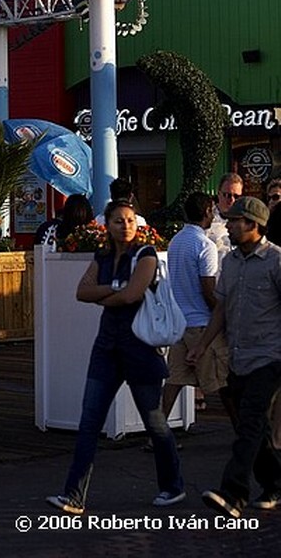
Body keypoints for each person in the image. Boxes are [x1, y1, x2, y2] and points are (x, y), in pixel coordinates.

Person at [47, 199, 185, 514]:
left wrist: (106, 294)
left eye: (130, 220)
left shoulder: (146, 255)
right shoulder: (103, 255)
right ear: (106, 225)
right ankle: (74, 496)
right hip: (106, 347)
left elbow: (132, 294)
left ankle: (172, 485)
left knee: (155, 422)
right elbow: (81, 292)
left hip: (139, 348)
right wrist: (114, 289)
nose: (126, 226)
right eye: (119, 221)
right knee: (89, 421)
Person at [190, 196, 281, 517]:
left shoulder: (276, 261)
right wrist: (202, 345)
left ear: (253, 226)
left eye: (234, 221)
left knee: (251, 423)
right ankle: (275, 483)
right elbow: (222, 309)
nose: (227, 226)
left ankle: (233, 493)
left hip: (270, 357)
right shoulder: (229, 261)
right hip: (238, 356)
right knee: (252, 426)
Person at [161, 192, 234, 425]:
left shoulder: (176, 242)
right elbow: (207, 287)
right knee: (223, 381)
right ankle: (243, 434)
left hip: (180, 323)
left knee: (174, 380)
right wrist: (222, 314)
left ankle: (158, 432)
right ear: (206, 212)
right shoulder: (205, 245)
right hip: (203, 324)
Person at [206, 172, 243, 268]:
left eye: (237, 196)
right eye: (227, 195)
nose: (232, 200)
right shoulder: (206, 220)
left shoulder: (246, 221)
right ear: (218, 194)